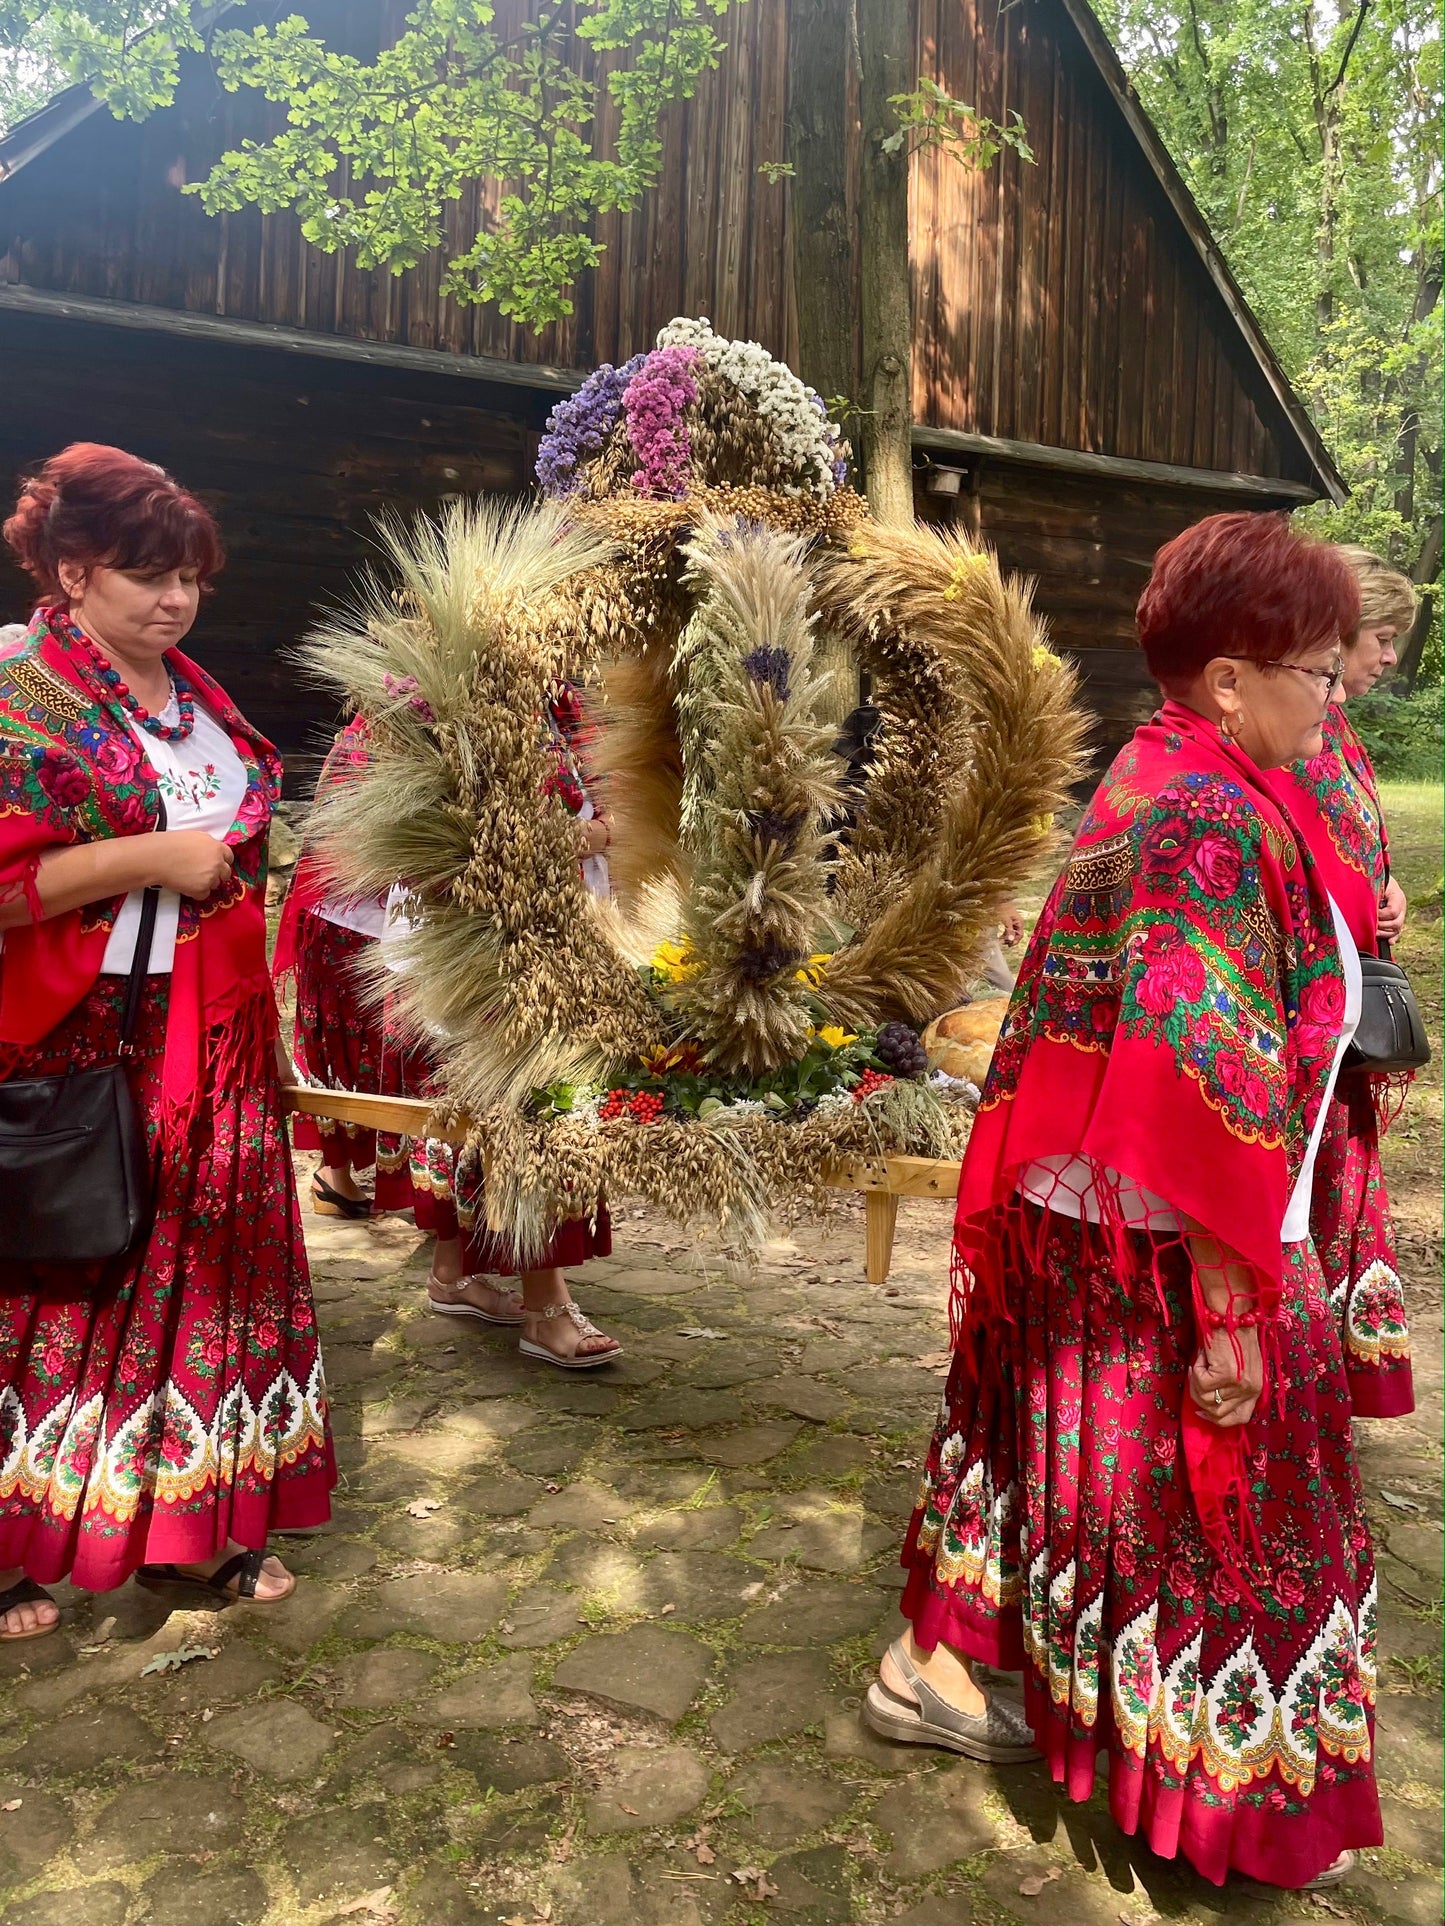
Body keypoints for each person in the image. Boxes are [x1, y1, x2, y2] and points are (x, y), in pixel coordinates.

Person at [867, 512, 1380, 1892]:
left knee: (1050, 1455)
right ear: (1228, 677)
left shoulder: (1172, 777)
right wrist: (1233, 1308)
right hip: (1156, 1225)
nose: (1335, 700)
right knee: (1214, 1499)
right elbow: (1195, 1091)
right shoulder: (1208, 815)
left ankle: (952, 1663)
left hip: (1088, 1209)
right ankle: (1218, 1793)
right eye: (1320, 671)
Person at [0, 444, 333, 1638]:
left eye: (189, 576)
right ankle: (19, 1537)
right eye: (147, 575)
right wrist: (151, 857)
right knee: (67, 1274)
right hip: (83, 1041)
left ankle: (187, 1527)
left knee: (208, 1281)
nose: (174, 600)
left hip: (218, 1034)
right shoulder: (19, 691)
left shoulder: (194, 695)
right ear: (73, 568)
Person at [373, 682, 623, 1366]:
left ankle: (454, 1275)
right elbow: (432, 832)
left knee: (508, 1105)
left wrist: (603, 830)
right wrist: (577, 838)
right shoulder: (431, 698)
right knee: (528, 1108)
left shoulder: (563, 703)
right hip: (474, 939)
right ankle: (546, 1309)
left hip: (559, 933)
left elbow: (613, 796)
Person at [1263, 547, 1416, 1416]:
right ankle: (1303, 1368)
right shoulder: (1298, 730)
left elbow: (1354, 847)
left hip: (1351, 995)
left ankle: (1326, 1368)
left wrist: (1386, 889)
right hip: (1313, 1014)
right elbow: (1301, 860)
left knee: (1337, 1186)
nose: (1388, 658)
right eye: (1381, 638)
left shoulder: (1340, 729)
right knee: (1313, 1193)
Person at [272, 711, 389, 1219]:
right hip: (350, 914)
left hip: (375, 913)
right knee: (350, 1049)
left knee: (389, 1049)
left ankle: (403, 1180)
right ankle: (336, 1174)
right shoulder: (364, 743)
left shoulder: (361, 736)